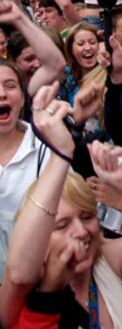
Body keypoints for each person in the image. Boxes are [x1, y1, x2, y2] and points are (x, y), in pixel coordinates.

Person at [0, 84, 122, 328]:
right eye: (61, 225)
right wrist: (62, 152)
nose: (80, 231)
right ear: (37, 240)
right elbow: (17, 275)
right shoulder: (21, 297)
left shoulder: (110, 257)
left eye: (87, 216)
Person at [0, 61, 50, 281]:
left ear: (22, 98)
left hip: (36, 284)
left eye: (10, 85)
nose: (2, 94)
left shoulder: (46, 152)